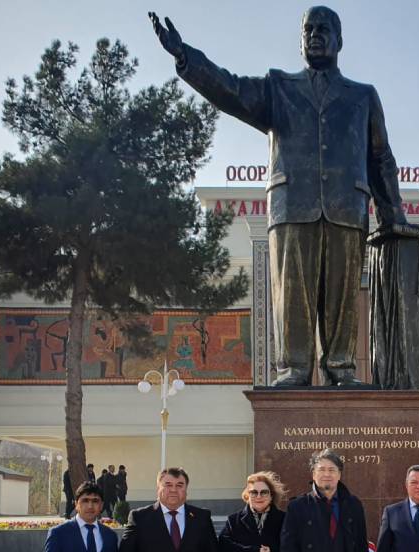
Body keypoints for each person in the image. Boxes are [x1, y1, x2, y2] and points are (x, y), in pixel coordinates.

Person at [151, 6, 406, 387]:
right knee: (292, 293)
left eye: (323, 29)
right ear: (300, 41)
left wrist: (392, 214)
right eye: (308, 30)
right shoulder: (279, 88)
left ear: (339, 40)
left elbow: (380, 157)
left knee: (342, 294)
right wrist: (186, 57)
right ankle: (294, 369)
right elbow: (230, 90)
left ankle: (341, 368)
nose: (315, 35)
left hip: (346, 208)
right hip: (291, 206)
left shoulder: (362, 96)